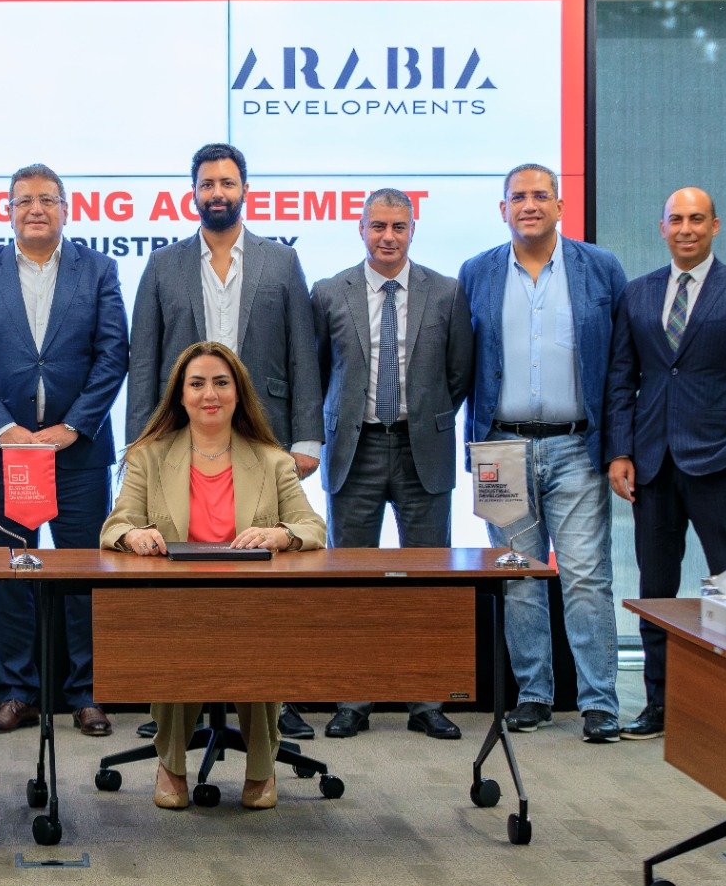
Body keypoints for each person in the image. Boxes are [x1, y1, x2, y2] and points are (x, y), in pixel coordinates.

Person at [126, 142, 323, 742]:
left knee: (267, 576)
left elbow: (302, 351)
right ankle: (172, 699)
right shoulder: (162, 264)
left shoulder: (281, 261)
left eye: (228, 183)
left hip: (265, 433)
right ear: (193, 193)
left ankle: (273, 697)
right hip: (181, 434)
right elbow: (144, 360)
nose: (218, 193)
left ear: (244, 191)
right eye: (208, 184)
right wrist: (138, 446)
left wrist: (307, 437)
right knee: (179, 580)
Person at [101, 341, 326, 811]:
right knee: (181, 640)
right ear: (180, 395)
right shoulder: (148, 457)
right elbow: (115, 526)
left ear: (238, 393)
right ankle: (171, 764)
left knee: (255, 642)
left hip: (252, 602)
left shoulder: (272, 459)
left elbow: (313, 527)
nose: (210, 394)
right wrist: (133, 536)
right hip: (177, 601)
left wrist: (280, 534)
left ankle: (261, 767)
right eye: (198, 383)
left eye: (221, 383)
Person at [0, 162, 129, 738]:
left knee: (83, 574)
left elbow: (113, 355)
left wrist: (73, 427)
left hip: (77, 455)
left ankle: (86, 693)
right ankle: (17, 693)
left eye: (47, 199)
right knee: (12, 573)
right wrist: (5, 430)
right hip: (8, 456)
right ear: (8, 211)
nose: (35, 209)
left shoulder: (98, 269)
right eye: (24, 200)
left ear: (65, 209)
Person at [458, 164, 626, 743]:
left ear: (560, 205)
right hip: (499, 448)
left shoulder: (600, 268)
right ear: (502, 209)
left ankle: (599, 701)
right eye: (518, 197)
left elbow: (620, 364)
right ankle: (534, 695)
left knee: (585, 576)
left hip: (576, 445)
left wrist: (619, 446)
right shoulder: (476, 272)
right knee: (518, 578)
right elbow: (462, 362)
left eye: (540, 195)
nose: (529, 205)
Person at [606, 187, 726, 740]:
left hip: (721, 461)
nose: (686, 228)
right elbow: (621, 379)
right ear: (662, 228)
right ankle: (660, 704)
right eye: (676, 219)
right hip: (652, 464)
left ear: (715, 226)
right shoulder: (637, 294)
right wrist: (620, 451)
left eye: (696, 219)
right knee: (655, 589)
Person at [311, 189, 473, 741]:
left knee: (428, 580)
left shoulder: (446, 292)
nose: (388, 237)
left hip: (420, 448)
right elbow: (318, 372)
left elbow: (458, 374)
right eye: (378, 226)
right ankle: (353, 700)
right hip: (353, 450)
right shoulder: (329, 292)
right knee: (350, 581)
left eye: (398, 227)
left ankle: (426, 701)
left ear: (412, 231)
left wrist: (423, 417)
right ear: (360, 229)